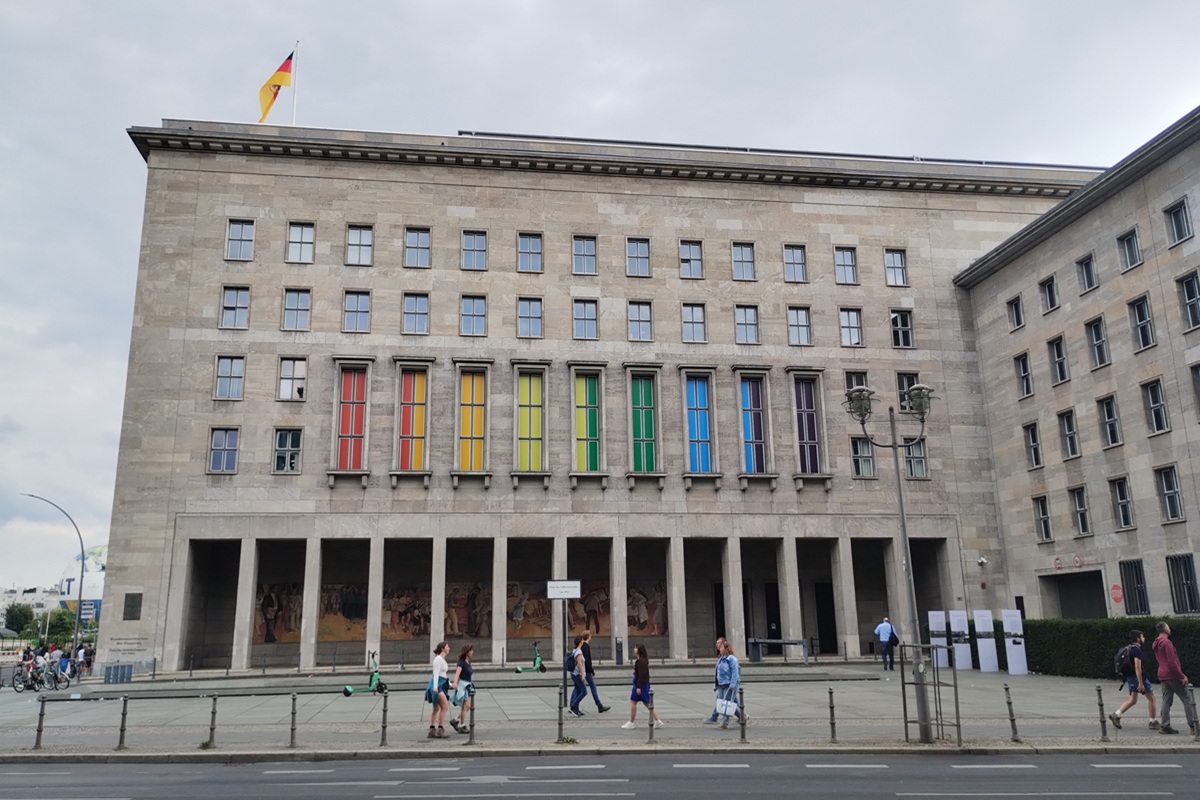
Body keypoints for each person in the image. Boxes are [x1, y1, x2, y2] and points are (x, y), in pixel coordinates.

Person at [1151, 621, 1196, 735]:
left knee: (1166, 700)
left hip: (1162, 674)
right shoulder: (1167, 643)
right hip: (1172, 674)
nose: (1169, 629)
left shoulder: (1156, 643)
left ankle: (1165, 725)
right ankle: (1193, 725)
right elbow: (1172, 662)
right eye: (1168, 627)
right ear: (1165, 629)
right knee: (1187, 699)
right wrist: (1181, 675)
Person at [1109, 629, 1159, 730]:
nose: (1144, 638)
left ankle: (1117, 714)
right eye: (1142, 636)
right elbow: (1138, 667)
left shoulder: (1129, 649)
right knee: (1152, 698)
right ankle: (1152, 721)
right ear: (1138, 638)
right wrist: (1141, 683)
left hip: (1130, 677)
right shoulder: (1137, 650)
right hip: (1138, 677)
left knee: (1133, 699)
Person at [704, 638, 747, 728]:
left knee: (727, 703)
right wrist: (716, 685)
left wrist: (732, 684)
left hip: (728, 684)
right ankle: (742, 717)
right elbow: (717, 672)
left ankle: (725, 722)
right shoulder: (721, 659)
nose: (720, 649)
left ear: (727, 649)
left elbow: (735, 672)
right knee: (723, 703)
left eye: (721, 647)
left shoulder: (731, 659)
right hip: (721, 684)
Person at [621, 644, 663, 729]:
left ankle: (631, 722)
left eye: (636, 648)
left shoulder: (641, 661)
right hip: (642, 684)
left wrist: (638, 686)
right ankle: (657, 720)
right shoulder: (642, 661)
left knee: (634, 702)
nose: (634, 649)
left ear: (639, 650)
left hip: (640, 684)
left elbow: (642, 675)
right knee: (646, 703)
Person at [580, 631, 611, 713]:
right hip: (586, 671)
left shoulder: (582, 646)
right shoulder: (586, 646)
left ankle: (573, 704)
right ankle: (599, 705)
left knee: (578, 688)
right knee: (593, 687)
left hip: (584, 670)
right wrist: (592, 670)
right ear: (588, 637)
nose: (591, 637)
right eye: (590, 636)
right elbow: (587, 660)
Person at [426, 641, 451, 738]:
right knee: (444, 707)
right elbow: (436, 674)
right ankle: (440, 729)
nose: (449, 648)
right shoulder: (438, 659)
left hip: (440, 684)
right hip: (437, 686)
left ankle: (432, 730)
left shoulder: (442, 659)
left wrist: (450, 684)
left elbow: (443, 675)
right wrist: (435, 687)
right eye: (447, 647)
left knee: (436, 708)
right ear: (442, 649)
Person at [448, 643, 474, 734]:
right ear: (467, 652)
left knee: (468, 707)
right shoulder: (461, 662)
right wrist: (455, 683)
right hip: (463, 685)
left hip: (468, 685)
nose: (472, 652)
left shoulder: (468, 661)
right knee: (464, 707)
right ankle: (462, 725)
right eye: (471, 650)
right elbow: (457, 673)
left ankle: (455, 720)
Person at [567, 634, 587, 717]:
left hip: (574, 674)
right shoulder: (579, 652)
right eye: (582, 640)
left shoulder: (574, 650)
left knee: (578, 690)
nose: (583, 641)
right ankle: (573, 706)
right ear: (580, 641)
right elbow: (579, 664)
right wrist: (582, 674)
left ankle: (576, 709)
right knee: (584, 692)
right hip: (577, 674)